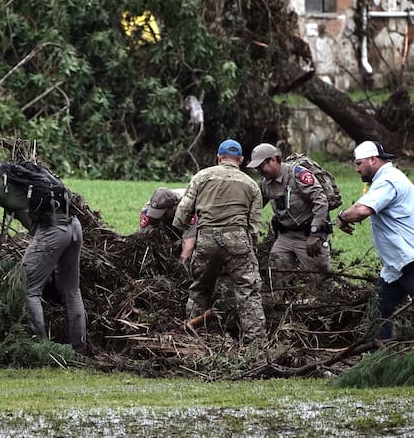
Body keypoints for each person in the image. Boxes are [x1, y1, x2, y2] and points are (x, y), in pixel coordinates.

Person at [0, 156, 86, 354]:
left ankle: (40, 347)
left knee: (28, 289)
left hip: (51, 232)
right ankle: (79, 348)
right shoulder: (23, 174)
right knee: (72, 290)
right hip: (74, 226)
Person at [172, 139, 267, 344]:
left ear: (218, 157)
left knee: (200, 288)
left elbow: (181, 216)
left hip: (206, 238)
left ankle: (191, 337)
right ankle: (256, 344)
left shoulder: (201, 177)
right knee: (247, 290)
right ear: (240, 160)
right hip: (237, 239)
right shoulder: (251, 185)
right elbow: (254, 226)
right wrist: (249, 248)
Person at [337, 141, 414, 339]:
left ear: (373, 159)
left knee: (379, 310)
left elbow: (361, 210)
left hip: (410, 259)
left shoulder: (389, 180)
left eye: (359, 163)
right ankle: (380, 359)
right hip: (396, 265)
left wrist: (342, 216)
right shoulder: (384, 179)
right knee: (378, 309)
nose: (356, 169)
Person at [246, 143, 331, 282]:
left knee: (321, 281)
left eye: (261, 166)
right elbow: (254, 206)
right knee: (276, 275)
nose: (259, 171)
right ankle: (280, 302)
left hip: (308, 236)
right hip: (285, 237)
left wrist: (315, 233)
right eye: (257, 168)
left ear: (273, 160)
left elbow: (320, 201)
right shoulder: (264, 184)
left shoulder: (297, 175)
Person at [140, 187, 197, 262]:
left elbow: (189, 242)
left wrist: (181, 265)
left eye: (163, 214)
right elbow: (143, 237)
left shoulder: (189, 208)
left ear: (173, 207)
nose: (160, 217)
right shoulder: (148, 209)